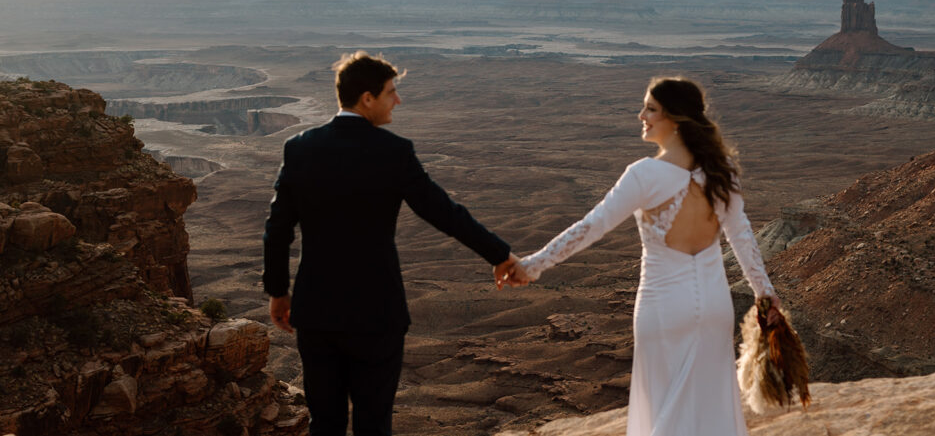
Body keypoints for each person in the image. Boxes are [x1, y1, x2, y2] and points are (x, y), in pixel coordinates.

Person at [262, 51, 525, 436]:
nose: (397, 100)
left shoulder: (299, 149)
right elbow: (444, 213)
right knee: (374, 424)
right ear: (366, 98)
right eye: (391, 92)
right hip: (376, 314)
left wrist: (278, 292)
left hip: (316, 311)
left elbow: (278, 229)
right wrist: (500, 254)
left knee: (325, 423)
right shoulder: (393, 152)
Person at [519, 76, 781, 436]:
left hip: (663, 309)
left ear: (675, 118)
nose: (641, 115)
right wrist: (765, 294)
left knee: (662, 409)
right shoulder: (723, 174)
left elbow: (591, 227)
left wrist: (533, 266)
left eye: (651, 108)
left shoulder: (644, 174)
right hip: (715, 309)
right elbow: (743, 238)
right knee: (711, 412)